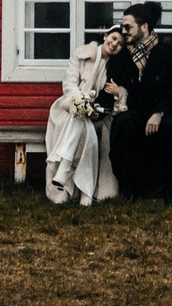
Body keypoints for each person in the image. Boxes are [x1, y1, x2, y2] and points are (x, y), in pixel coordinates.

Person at [104, 2, 172, 199]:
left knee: (169, 127)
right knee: (123, 125)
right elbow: (110, 86)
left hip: (159, 110)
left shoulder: (168, 53)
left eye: (128, 27)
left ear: (144, 27)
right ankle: (129, 186)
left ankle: (168, 185)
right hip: (134, 111)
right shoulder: (121, 56)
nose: (123, 31)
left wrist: (159, 113)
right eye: (122, 26)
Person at [45, 26, 123, 204]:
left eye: (120, 43)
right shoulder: (82, 55)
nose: (114, 44)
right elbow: (69, 84)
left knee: (87, 130)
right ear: (105, 36)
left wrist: (96, 110)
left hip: (97, 114)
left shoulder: (115, 68)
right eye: (113, 38)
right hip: (69, 107)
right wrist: (83, 102)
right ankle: (85, 194)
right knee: (79, 119)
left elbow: (112, 99)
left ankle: (65, 169)